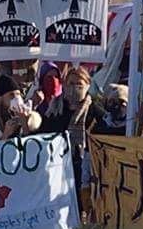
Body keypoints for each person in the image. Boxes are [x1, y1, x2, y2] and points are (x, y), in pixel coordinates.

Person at [41, 67, 104, 204]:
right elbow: (44, 133)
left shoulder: (95, 111)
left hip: (83, 167)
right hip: (57, 165)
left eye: (79, 84)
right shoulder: (54, 108)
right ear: (64, 85)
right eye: (71, 83)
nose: (75, 87)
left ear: (88, 85)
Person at [0, 74, 42, 140]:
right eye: (11, 95)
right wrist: (6, 134)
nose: (16, 98)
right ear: (1, 98)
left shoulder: (22, 112)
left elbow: (28, 143)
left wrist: (24, 122)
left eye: (18, 94)